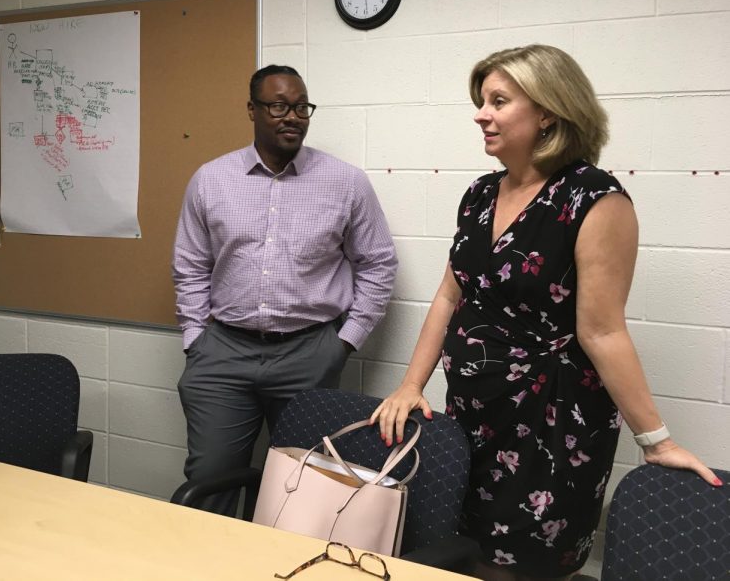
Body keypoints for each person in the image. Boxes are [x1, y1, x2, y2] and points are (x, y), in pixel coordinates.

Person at [370, 45, 720, 580]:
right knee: (466, 550)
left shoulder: (595, 199)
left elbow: (602, 331)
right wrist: (411, 384)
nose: (480, 113)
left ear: (548, 112)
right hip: (473, 411)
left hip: (551, 421)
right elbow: (450, 295)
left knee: (523, 566)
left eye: (499, 100)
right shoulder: (480, 194)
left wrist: (657, 441)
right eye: (481, 100)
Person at [173, 64, 398, 516]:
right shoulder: (211, 179)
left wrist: (343, 343)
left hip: (309, 353)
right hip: (223, 353)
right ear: (252, 109)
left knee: (300, 487)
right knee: (209, 478)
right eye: (278, 106)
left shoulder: (345, 182)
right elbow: (191, 265)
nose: (291, 116)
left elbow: (378, 264)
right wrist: (196, 338)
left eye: (301, 107)